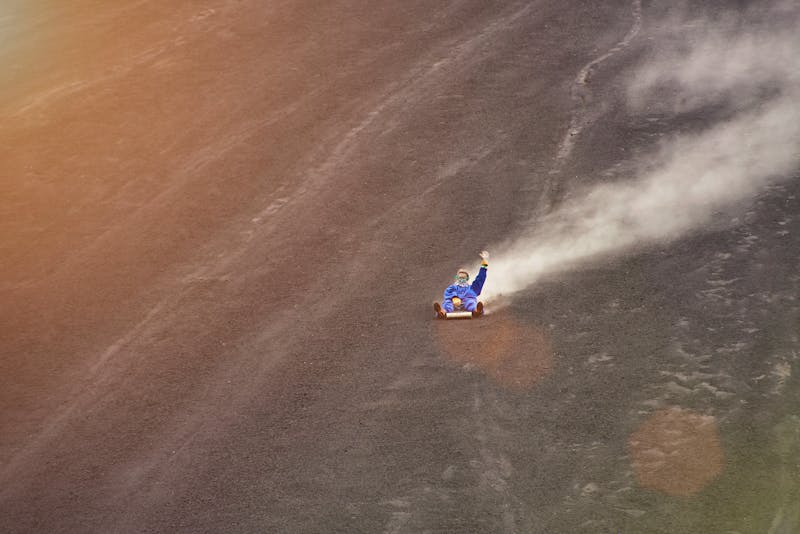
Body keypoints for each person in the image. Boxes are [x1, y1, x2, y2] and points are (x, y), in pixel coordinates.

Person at [435, 251, 489, 318]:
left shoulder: (471, 288)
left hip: (467, 301)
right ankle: (442, 312)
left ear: (467, 278)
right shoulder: (452, 287)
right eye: (460, 277)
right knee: (447, 304)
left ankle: (477, 310)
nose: (461, 279)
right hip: (454, 303)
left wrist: (484, 263)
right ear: (457, 278)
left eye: (464, 278)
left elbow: (481, 278)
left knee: (471, 302)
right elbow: (448, 293)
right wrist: (454, 297)